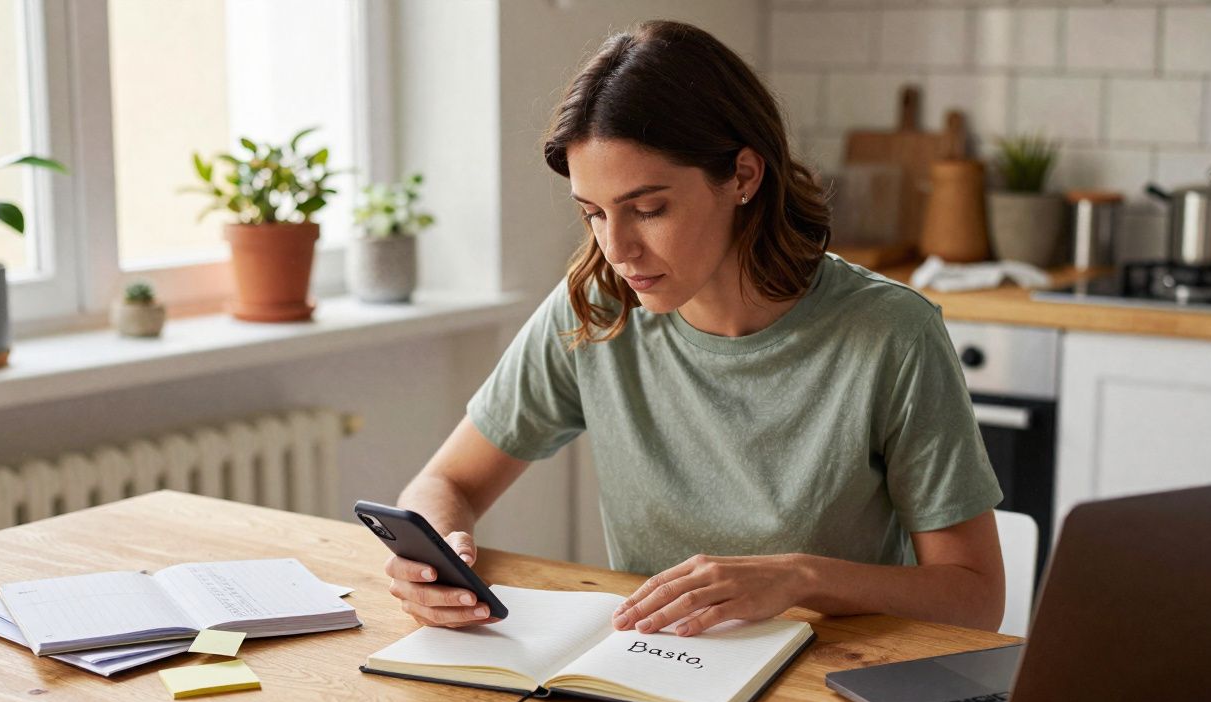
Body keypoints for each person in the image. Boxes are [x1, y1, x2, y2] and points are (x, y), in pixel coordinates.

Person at [382, 19, 1005, 637]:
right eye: (594, 213)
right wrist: (432, 557)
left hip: (831, 685)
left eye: (648, 209)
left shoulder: (891, 333)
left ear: (742, 176)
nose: (617, 248)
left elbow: (975, 597)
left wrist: (802, 578)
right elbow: (445, 481)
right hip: (653, 674)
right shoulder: (598, 309)